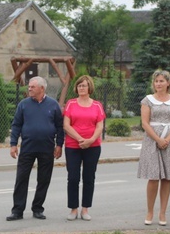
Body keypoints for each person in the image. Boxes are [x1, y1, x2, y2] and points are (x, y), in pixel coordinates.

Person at [7, 76, 64, 221]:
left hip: (47, 148)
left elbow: (59, 126)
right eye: (29, 86)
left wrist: (59, 145)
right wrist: (13, 144)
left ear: (42, 88)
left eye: (32, 86)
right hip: (27, 148)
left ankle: (38, 208)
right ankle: (17, 211)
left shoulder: (53, 105)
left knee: (43, 179)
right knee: (21, 179)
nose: (29, 88)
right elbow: (16, 125)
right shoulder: (23, 104)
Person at [137, 70, 170, 226]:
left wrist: (168, 139)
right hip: (152, 140)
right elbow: (145, 123)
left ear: (168, 83)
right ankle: (149, 211)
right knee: (153, 176)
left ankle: (162, 212)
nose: (159, 84)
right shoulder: (147, 100)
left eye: (162, 81)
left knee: (166, 177)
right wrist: (157, 139)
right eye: (156, 81)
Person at [63, 75, 106, 221]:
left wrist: (91, 140)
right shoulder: (71, 103)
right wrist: (80, 139)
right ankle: (73, 209)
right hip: (73, 146)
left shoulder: (97, 105)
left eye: (84, 85)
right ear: (76, 88)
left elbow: (100, 125)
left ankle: (85, 209)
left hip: (92, 146)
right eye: (79, 85)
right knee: (73, 177)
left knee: (89, 178)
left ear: (89, 88)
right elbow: (66, 125)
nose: (82, 88)